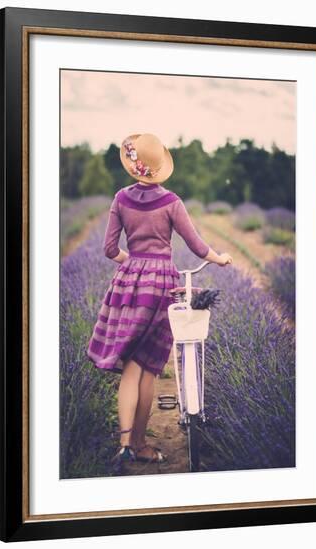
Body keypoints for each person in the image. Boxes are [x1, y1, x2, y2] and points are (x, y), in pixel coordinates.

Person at [86, 133, 233, 465]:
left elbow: (110, 250)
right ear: (160, 167)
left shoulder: (121, 199)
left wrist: (135, 263)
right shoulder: (171, 202)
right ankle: (140, 445)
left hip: (128, 285)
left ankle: (124, 444)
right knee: (148, 367)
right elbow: (197, 246)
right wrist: (220, 258)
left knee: (129, 370)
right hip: (160, 285)